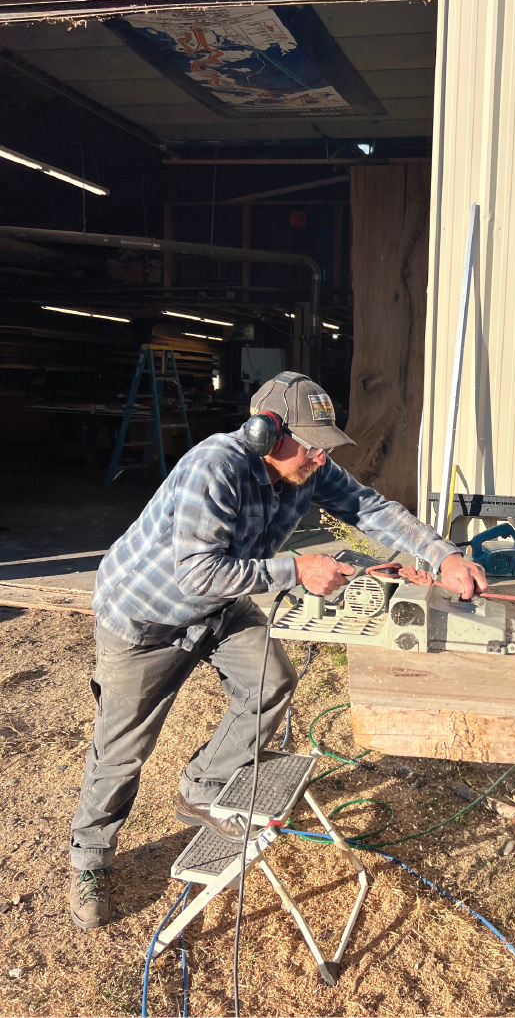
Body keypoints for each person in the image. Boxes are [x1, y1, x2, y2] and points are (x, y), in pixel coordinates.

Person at [69, 371, 486, 930]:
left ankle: (204, 787)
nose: (318, 455)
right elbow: (196, 573)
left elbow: (370, 509)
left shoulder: (309, 469)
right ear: (264, 432)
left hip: (219, 605)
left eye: (323, 443)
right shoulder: (213, 467)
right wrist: (296, 568)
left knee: (271, 682)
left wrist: (442, 556)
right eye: (309, 442)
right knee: (121, 749)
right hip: (147, 617)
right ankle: (90, 860)